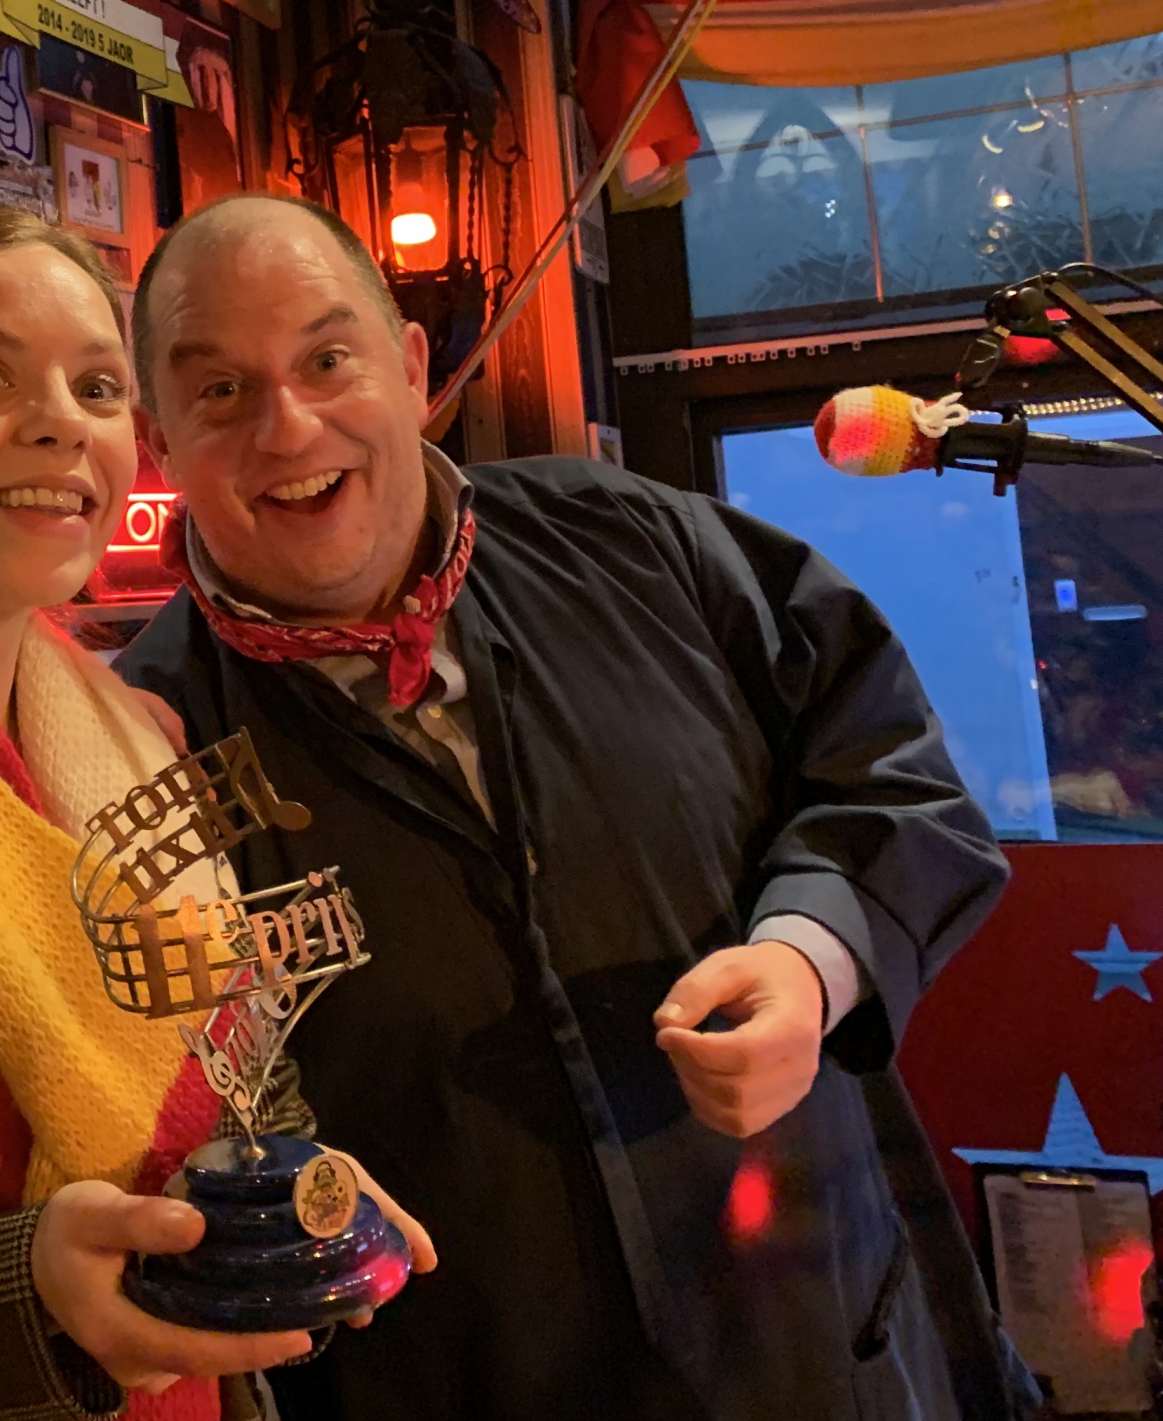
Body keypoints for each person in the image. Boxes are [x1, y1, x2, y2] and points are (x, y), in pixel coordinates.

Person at [116, 194, 1038, 1421]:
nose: (288, 426)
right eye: (221, 391)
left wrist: (811, 960)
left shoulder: (638, 541)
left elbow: (890, 771)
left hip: (823, 1349)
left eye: (327, 360)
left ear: (409, 368)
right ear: (158, 442)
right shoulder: (134, 751)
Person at [0, 206, 433, 1421]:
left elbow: (239, 1088)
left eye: (97, 386)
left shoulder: (140, 746)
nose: (59, 420)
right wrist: (26, 1298)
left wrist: (287, 1190)